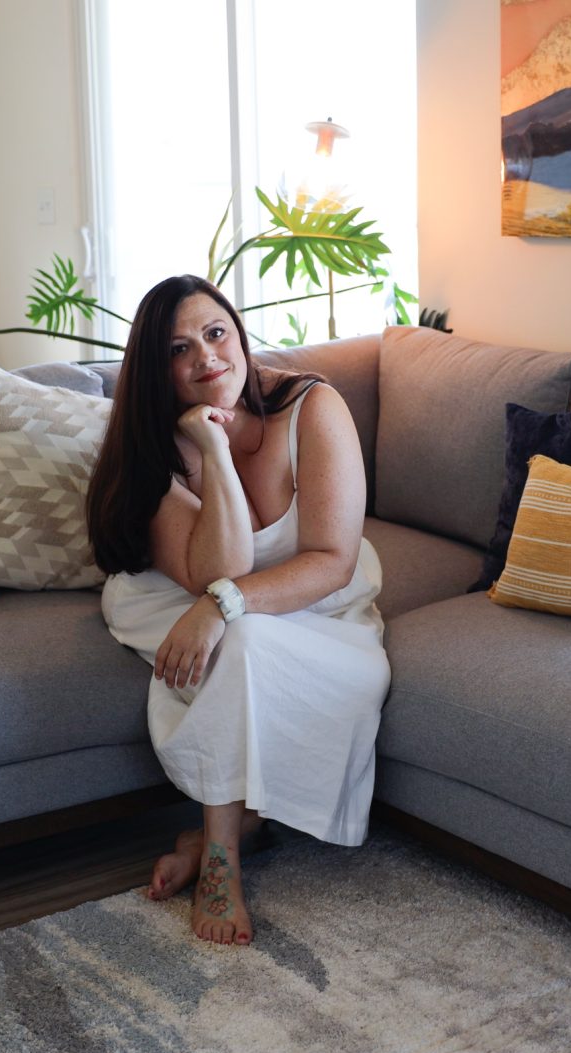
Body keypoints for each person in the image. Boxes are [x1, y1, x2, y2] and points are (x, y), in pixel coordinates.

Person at [88, 274, 389, 947]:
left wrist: (222, 606)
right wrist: (213, 450)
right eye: (179, 349)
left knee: (250, 639)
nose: (206, 357)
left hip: (318, 607)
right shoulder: (155, 450)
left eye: (216, 332)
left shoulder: (313, 407)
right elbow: (215, 570)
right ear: (159, 371)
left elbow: (332, 561)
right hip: (179, 596)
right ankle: (222, 860)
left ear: (241, 335)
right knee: (243, 643)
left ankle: (223, 835)